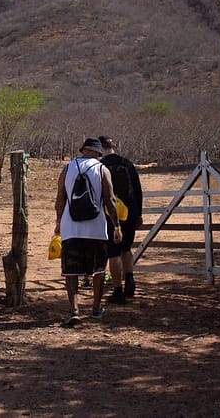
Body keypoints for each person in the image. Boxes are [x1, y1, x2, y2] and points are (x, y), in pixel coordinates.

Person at [54, 137, 122, 325]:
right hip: (96, 228)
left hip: (70, 227)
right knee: (99, 269)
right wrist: (116, 226)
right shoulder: (102, 169)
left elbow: (60, 198)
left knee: (71, 271)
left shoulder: (67, 168)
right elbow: (110, 199)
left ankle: (74, 310)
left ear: (83, 150)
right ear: (98, 152)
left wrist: (59, 222)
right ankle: (96, 308)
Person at [98, 136, 143, 305]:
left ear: (101, 148)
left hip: (110, 214)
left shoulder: (101, 166)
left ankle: (118, 290)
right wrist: (138, 214)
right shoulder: (127, 163)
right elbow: (138, 191)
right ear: (113, 146)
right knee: (126, 249)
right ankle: (130, 279)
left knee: (113, 253)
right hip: (130, 212)